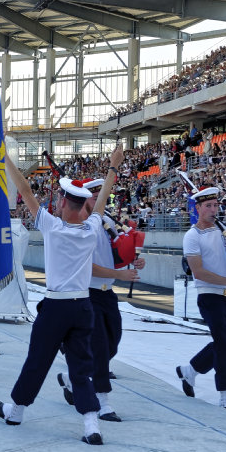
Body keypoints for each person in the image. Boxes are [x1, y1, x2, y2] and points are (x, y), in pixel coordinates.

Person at [0, 148, 120, 445]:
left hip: (56, 308)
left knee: (37, 360)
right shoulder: (91, 229)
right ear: (82, 205)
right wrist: (113, 168)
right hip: (83, 306)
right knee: (81, 366)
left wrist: (3, 157)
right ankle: (91, 424)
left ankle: (16, 411)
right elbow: (100, 203)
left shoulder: (52, 226)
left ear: (63, 202)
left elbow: (24, 190)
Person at [57, 175, 142, 422]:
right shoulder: (80, 227)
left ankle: (74, 380)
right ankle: (103, 402)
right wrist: (120, 273)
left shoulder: (105, 223)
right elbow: (87, 266)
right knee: (101, 346)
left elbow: (112, 256)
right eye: (95, 197)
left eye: (99, 197)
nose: (98, 200)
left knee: (113, 342)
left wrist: (132, 261)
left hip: (107, 293)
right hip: (87, 292)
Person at [176, 186, 226, 414]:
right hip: (208, 295)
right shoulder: (192, 236)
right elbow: (198, 272)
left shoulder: (223, 231)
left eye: (215, 205)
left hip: (224, 295)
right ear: (198, 208)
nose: (213, 209)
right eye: (208, 206)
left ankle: (189, 370)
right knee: (222, 345)